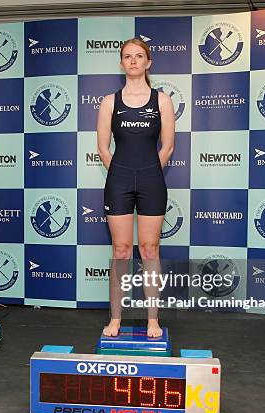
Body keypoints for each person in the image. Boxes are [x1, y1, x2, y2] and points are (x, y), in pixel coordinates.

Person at [96, 38, 175, 338]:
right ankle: (115, 318)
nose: (132, 61)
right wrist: (121, 172)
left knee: (149, 249)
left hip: (152, 180)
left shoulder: (162, 100)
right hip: (119, 180)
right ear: (121, 63)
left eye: (138, 56)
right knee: (121, 250)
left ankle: (152, 319)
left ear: (148, 62)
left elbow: (167, 147)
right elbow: (103, 148)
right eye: (127, 57)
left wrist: (148, 171)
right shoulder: (109, 102)